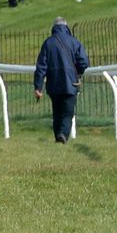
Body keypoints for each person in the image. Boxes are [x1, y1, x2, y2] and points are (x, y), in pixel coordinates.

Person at [33, 14, 91, 144]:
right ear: (66, 27)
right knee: (67, 113)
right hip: (71, 82)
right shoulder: (74, 42)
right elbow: (83, 62)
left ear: (54, 28)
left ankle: (58, 136)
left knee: (57, 113)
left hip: (53, 84)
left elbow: (41, 67)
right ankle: (63, 134)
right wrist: (78, 73)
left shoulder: (48, 43)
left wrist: (38, 87)